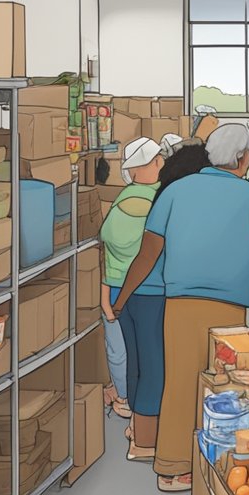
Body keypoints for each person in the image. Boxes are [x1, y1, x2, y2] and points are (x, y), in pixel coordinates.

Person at [116, 124, 249, 492]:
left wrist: (122, 297)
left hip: (180, 302)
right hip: (231, 306)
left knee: (180, 381)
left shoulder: (174, 192)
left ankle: (172, 467)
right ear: (242, 158)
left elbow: (148, 252)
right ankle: (223, 467)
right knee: (229, 388)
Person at [100, 138, 164, 458]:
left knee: (134, 361)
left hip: (116, 291)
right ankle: (144, 438)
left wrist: (107, 295)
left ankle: (136, 429)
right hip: (154, 291)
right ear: (146, 167)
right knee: (154, 362)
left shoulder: (120, 203)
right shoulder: (161, 201)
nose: (161, 164)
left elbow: (108, 253)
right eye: (157, 161)